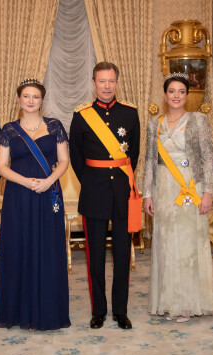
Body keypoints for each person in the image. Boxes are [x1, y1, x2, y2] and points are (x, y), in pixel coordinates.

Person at [0, 78, 71, 331]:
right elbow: (1, 167)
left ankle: (48, 311)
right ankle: (20, 312)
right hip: (19, 196)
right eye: (26, 96)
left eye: (35, 97)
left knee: (48, 249)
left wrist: (48, 181)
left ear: (42, 100)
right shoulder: (8, 129)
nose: (30, 100)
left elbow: (63, 161)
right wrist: (28, 183)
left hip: (49, 193)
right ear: (19, 100)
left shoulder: (55, 126)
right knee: (20, 248)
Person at [69, 62, 140, 330]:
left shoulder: (130, 114)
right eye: (102, 81)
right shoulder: (82, 116)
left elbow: (134, 154)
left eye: (111, 81)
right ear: (94, 82)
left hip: (122, 192)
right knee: (95, 256)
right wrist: (89, 181)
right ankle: (98, 310)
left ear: (116, 83)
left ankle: (120, 311)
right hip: (94, 191)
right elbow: (76, 156)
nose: (107, 86)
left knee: (123, 254)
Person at [143, 73, 213, 323]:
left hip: (189, 187)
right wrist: (148, 193)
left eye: (181, 91)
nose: (176, 96)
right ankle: (167, 301)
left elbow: (208, 157)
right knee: (165, 244)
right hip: (163, 188)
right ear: (165, 95)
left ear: (187, 95)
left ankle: (186, 302)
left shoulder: (198, 120)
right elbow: (149, 162)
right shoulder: (155, 123)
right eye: (172, 91)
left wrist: (208, 191)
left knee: (187, 243)